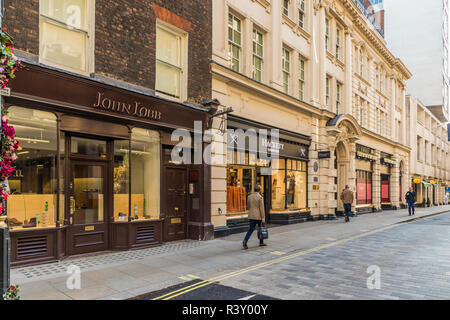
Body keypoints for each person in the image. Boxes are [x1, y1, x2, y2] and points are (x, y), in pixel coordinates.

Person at [243, 184, 266, 249]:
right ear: (259, 190)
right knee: (260, 229)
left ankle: (245, 241)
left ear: (254, 189)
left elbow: (248, 206)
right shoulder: (260, 197)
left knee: (250, 230)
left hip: (251, 215)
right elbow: (262, 208)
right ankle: (261, 242)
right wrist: (263, 218)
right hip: (258, 216)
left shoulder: (249, 196)